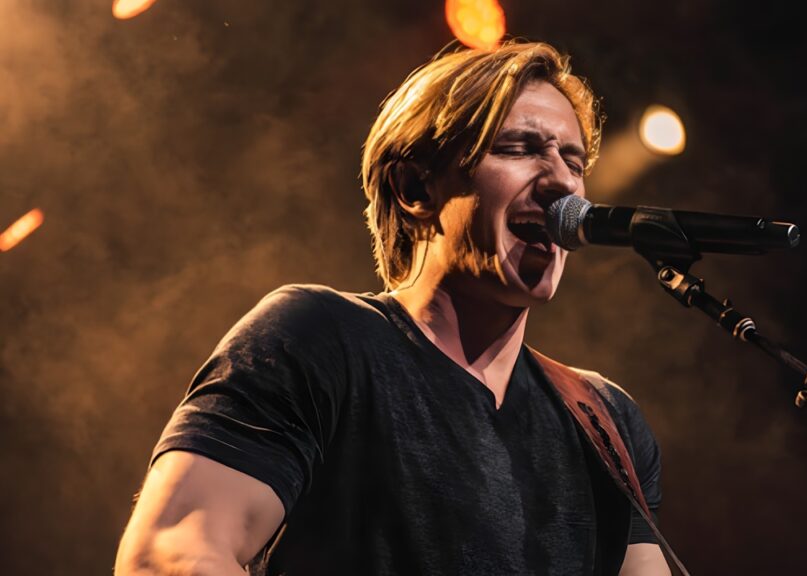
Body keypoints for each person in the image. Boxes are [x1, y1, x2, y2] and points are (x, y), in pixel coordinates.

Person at [115, 40, 672, 576]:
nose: (562, 184)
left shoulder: (604, 419)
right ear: (414, 188)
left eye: (573, 161)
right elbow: (170, 555)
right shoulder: (320, 339)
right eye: (518, 149)